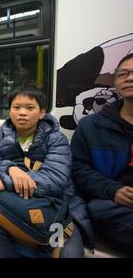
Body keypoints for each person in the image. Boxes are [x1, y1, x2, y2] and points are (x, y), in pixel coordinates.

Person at [0, 86, 85, 257]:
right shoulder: (0, 135)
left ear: (42, 112)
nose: (22, 113)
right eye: (16, 107)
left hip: (53, 203)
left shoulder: (55, 138)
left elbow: (56, 180)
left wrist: (6, 181)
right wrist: (10, 168)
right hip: (15, 201)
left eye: (30, 108)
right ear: (10, 111)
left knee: (70, 253)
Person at [71, 53, 133, 255]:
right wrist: (112, 190)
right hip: (114, 201)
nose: (129, 78)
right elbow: (78, 168)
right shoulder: (91, 126)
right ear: (115, 82)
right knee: (97, 209)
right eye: (123, 74)